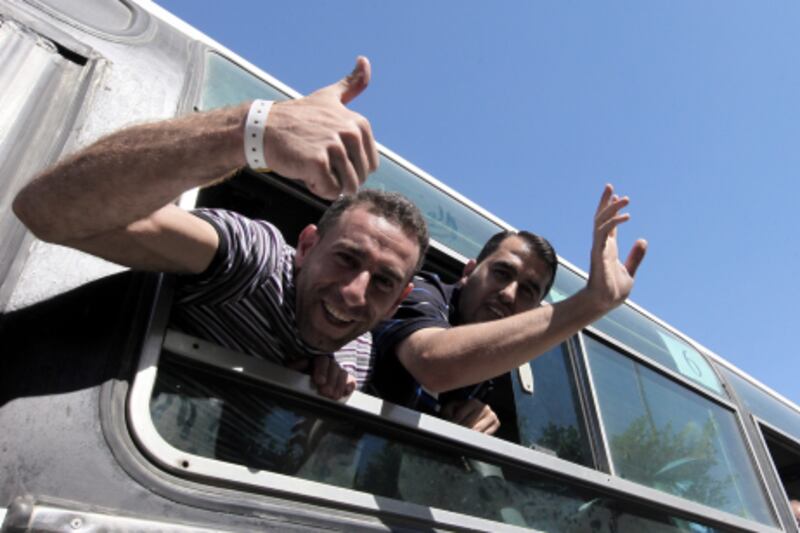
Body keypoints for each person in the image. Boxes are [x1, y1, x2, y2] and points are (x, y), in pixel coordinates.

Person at [13, 56, 428, 400]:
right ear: (305, 246)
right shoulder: (254, 259)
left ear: (397, 303)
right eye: (346, 257)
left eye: (383, 282)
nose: (354, 292)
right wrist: (252, 130)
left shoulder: (359, 348)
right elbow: (46, 210)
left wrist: (316, 395)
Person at [371, 184, 647, 435]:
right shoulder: (419, 292)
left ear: (533, 310)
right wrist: (593, 302)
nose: (508, 294)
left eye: (527, 291)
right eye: (502, 273)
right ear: (468, 272)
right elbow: (431, 362)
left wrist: (473, 416)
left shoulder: (502, 364)